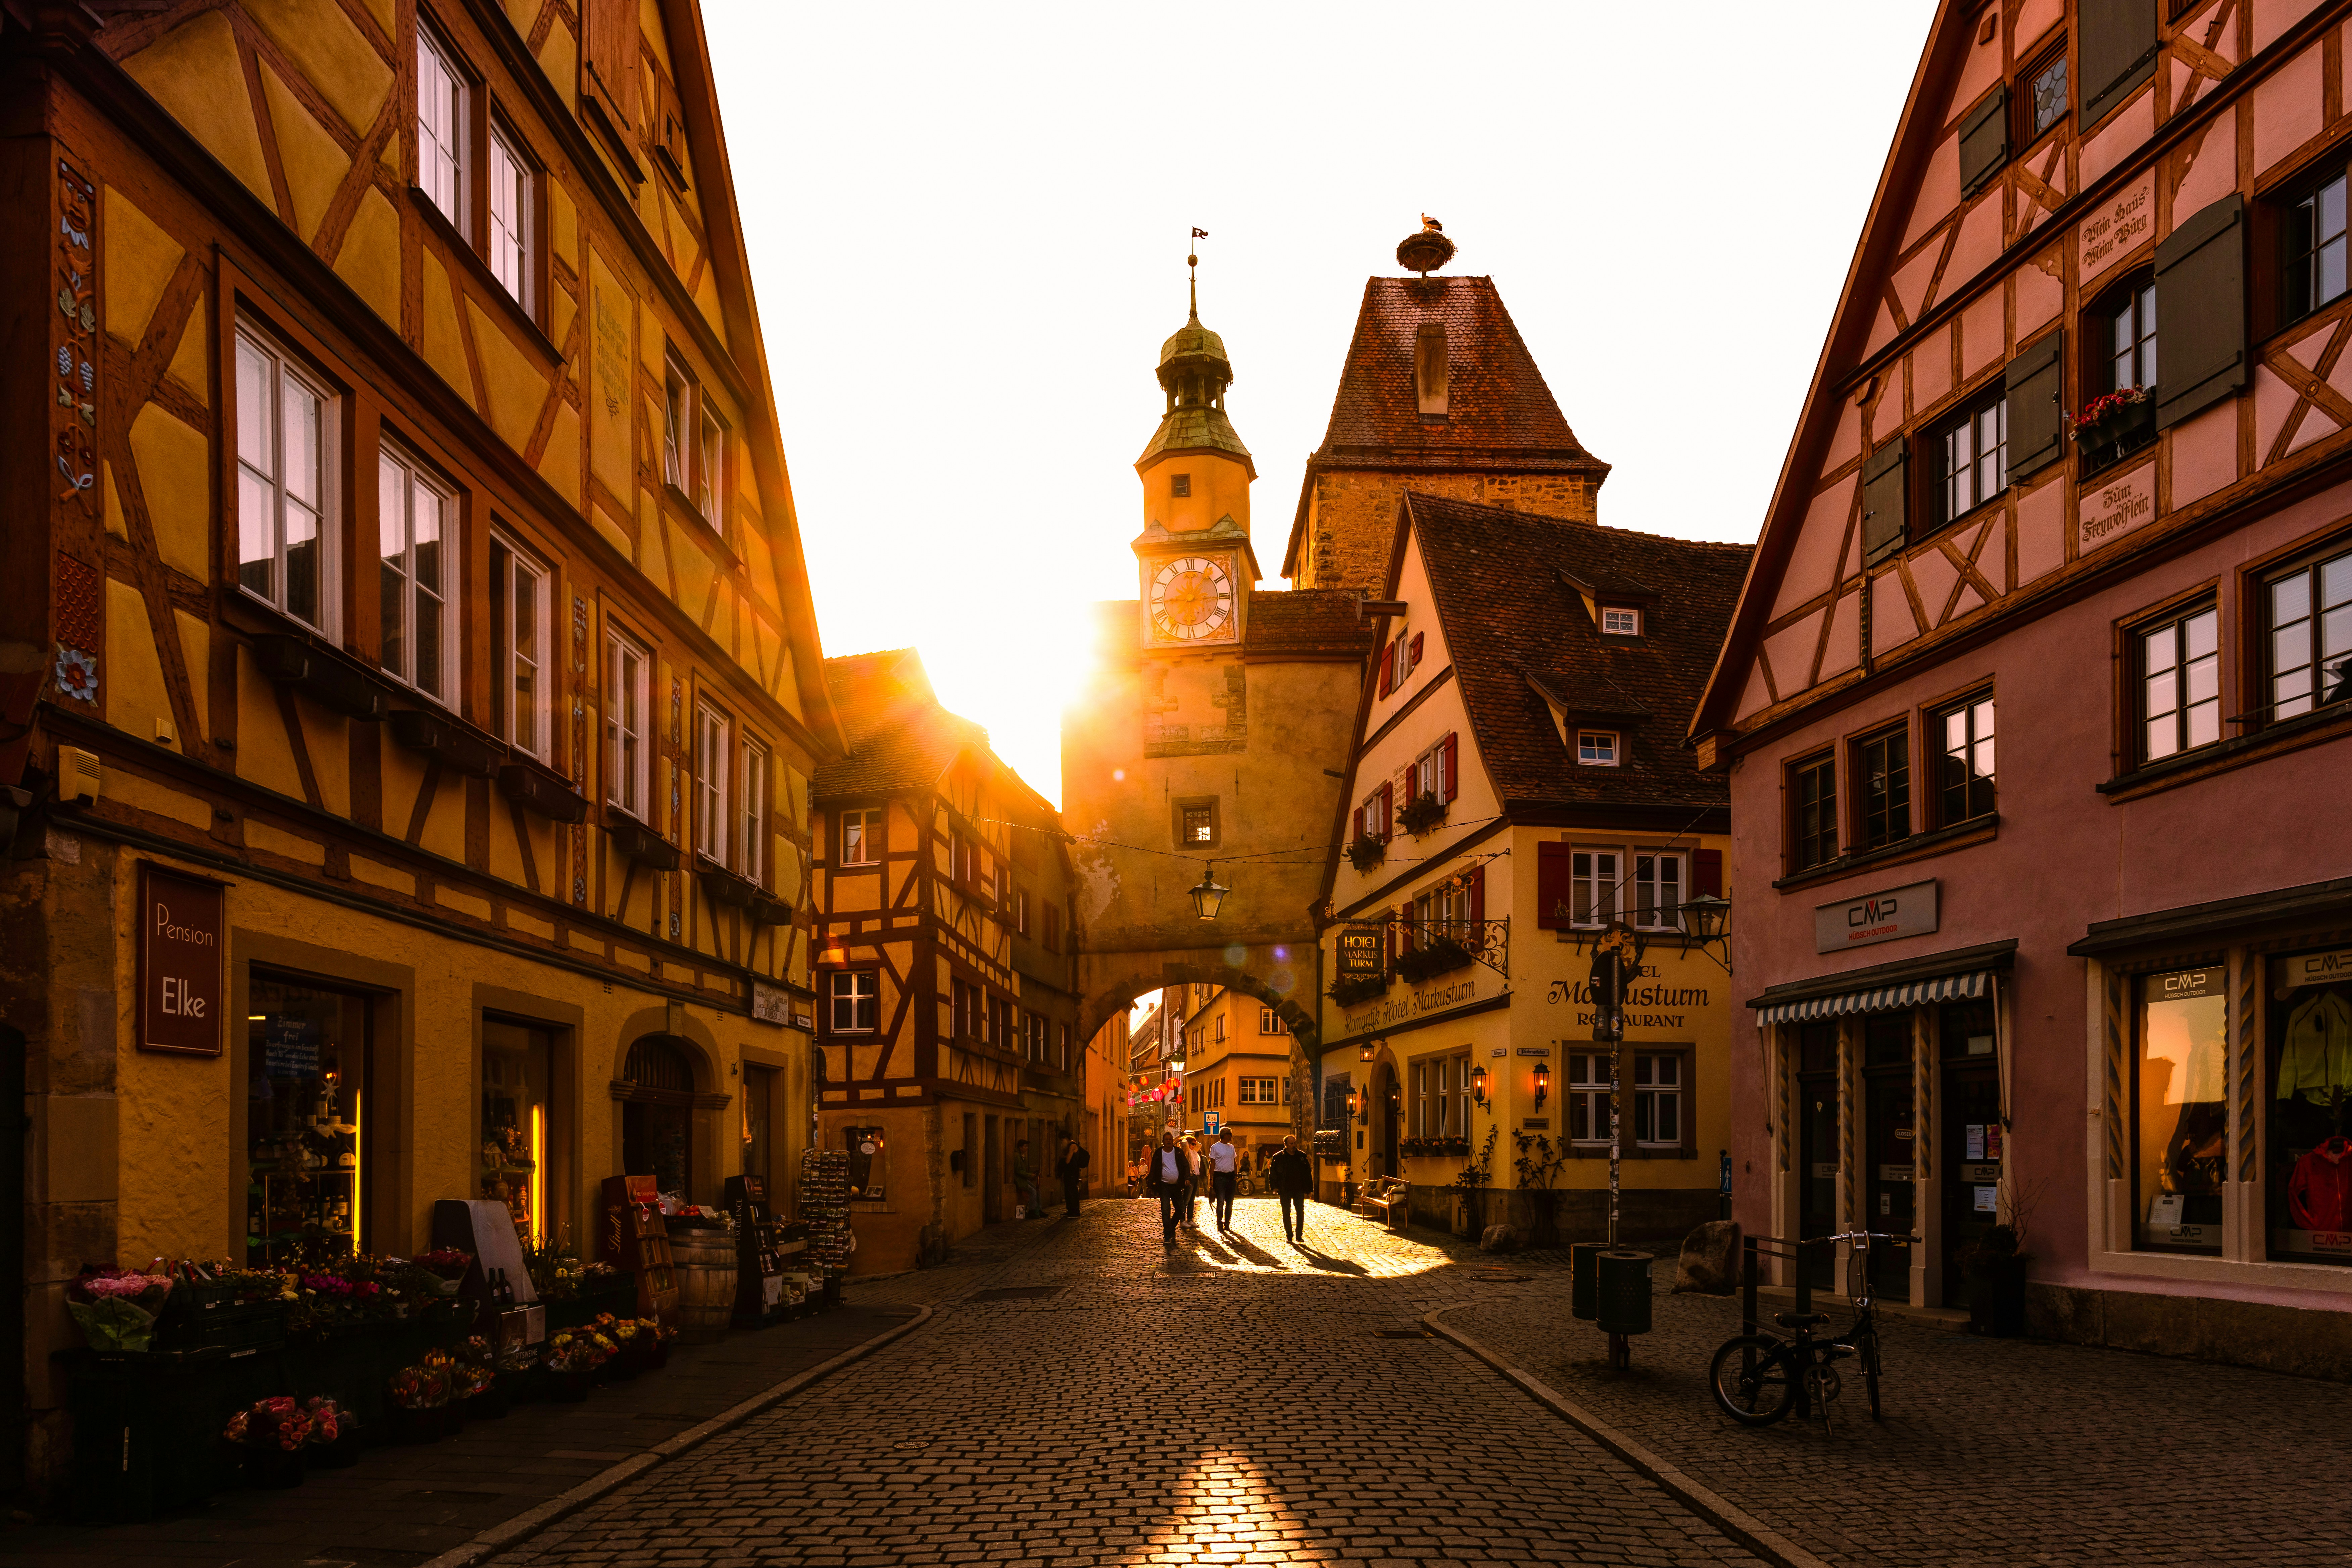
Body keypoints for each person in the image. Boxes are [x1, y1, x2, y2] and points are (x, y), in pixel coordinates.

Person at [1145, 1132, 1193, 1250]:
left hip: (1177, 1187)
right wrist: (1150, 1186)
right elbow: (1153, 1169)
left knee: (1181, 1209)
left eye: (1170, 1139)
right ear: (1163, 1141)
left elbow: (1186, 1165)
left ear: (1172, 1141)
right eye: (1166, 1140)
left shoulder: (1178, 1152)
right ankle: (1168, 1235)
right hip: (1164, 1187)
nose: (1168, 1141)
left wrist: (1187, 1178)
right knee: (1166, 1211)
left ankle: (1171, 1228)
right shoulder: (1159, 1153)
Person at [1268, 1133, 1314, 1245]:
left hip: (1299, 1188)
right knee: (1286, 1212)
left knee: (1300, 1212)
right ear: (1286, 1145)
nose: (1294, 1145)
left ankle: (1299, 1236)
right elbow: (1273, 1173)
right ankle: (1289, 1236)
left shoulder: (1302, 1156)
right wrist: (1274, 1187)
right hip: (1285, 1189)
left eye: (1295, 1143)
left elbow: (1307, 1173)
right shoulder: (1278, 1157)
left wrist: (1309, 1189)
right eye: (1291, 1144)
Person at [1206, 1128, 1240, 1231]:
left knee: (1230, 1203)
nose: (1231, 1136)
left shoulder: (1231, 1147)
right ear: (1224, 1135)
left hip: (1231, 1178)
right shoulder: (1215, 1147)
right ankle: (1220, 1223)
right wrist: (1211, 1179)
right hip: (1220, 1178)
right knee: (1220, 1202)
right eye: (1230, 1134)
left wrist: (1236, 1175)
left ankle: (1228, 1223)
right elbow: (1212, 1164)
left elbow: (1234, 1162)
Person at [1057, 1136, 1091, 1216]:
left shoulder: (1073, 1146)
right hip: (1069, 1173)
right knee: (1068, 1192)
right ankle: (1070, 1211)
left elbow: (1068, 1161)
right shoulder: (1068, 1147)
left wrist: (1064, 1157)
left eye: (1062, 1141)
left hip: (1072, 1173)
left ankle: (1075, 1212)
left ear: (1066, 1139)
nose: (1061, 1143)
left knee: (1072, 1192)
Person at [1178, 1134, 1203, 1230]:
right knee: (1186, 1200)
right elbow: (1184, 1144)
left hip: (1196, 1177)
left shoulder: (1194, 1151)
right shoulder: (1186, 1151)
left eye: (1195, 1144)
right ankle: (1182, 1221)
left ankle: (1190, 1220)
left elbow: (1200, 1145)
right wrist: (1186, 1140)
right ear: (1188, 1144)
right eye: (1193, 1144)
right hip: (1190, 1177)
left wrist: (1193, 1141)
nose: (1195, 1145)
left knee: (1192, 1200)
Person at [1011, 1139, 1038, 1219]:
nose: (1027, 1148)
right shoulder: (1017, 1156)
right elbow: (1018, 1170)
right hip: (1020, 1179)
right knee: (1033, 1192)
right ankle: (1032, 1211)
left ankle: (1038, 1210)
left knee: (1037, 1189)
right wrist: (1030, 1175)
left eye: (1027, 1147)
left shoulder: (1023, 1156)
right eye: (1025, 1147)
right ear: (1021, 1147)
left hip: (1024, 1178)